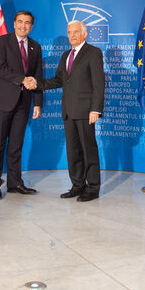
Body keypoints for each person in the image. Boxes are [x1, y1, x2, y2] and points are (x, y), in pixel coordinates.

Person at [25, 20, 105, 201]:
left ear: (84, 34)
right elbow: (58, 80)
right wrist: (37, 83)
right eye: (69, 32)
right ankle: (77, 185)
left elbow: (99, 84)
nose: (72, 35)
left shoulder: (93, 53)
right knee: (73, 151)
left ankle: (92, 188)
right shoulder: (66, 55)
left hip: (86, 112)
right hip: (68, 111)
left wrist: (96, 110)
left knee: (88, 150)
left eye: (76, 32)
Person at [0, 10, 43, 200]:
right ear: (14, 23)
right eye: (20, 22)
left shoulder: (36, 47)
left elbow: (38, 76)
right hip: (3, 100)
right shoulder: (2, 42)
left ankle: (15, 183)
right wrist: (22, 79)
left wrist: (37, 103)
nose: (23, 26)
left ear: (32, 26)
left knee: (16, 145)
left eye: (27, 23)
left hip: (24, 103)